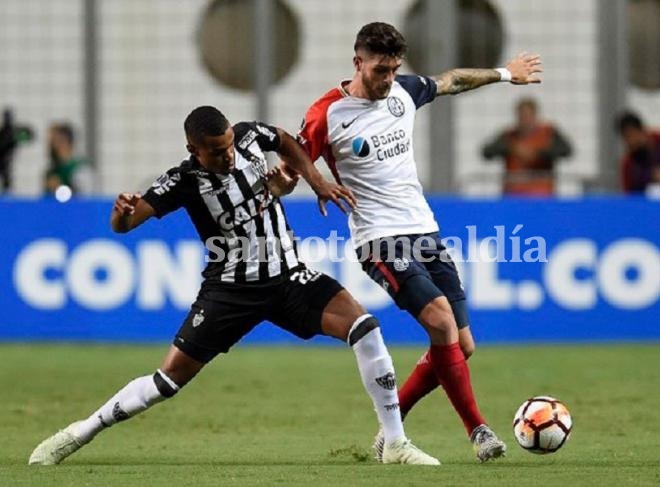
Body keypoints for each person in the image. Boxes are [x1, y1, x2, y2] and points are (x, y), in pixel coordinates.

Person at [28, 106, 439, 466]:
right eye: (217, 151)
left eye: (228, 146)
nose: (228, 155)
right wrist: (120, 215)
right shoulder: (181, 181)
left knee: (365, 328)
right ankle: (80, 432)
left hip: (288, 276)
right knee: (166, 381)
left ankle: (395, 442)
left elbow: (282, 139)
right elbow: (126, 224)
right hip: (230, 290)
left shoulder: (247, 137)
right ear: (195, 150)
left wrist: (311, 179)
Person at [291, 22, 542, 463]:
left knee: (461, 346)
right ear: (358, 63)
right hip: (378, 240)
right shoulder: (327, 113)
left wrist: (505, 73)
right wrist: (317, 182)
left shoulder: (403, 93)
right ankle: (480, 432)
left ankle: (391, 428)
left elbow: (452, 80)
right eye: (379, 70)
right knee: (442, 322)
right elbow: (293, 156)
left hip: (425, 231)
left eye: (393, 70)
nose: (387, 79)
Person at [481, 97, 572, 196]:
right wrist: (512, 149)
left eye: (528, 116)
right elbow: (487, 152)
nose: (525, 120)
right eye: (522, 116)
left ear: (535, 115)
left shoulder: (549, 132)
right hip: (513, 193)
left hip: (542, 194)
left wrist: (537, 153)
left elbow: (566, 150)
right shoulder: (508, 136)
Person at [43, 122, 91, 196]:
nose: (50, 147)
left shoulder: (80, 169)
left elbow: (87, 199)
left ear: (64, 142)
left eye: (53, 142)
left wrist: (60, 189)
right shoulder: (52, 171)